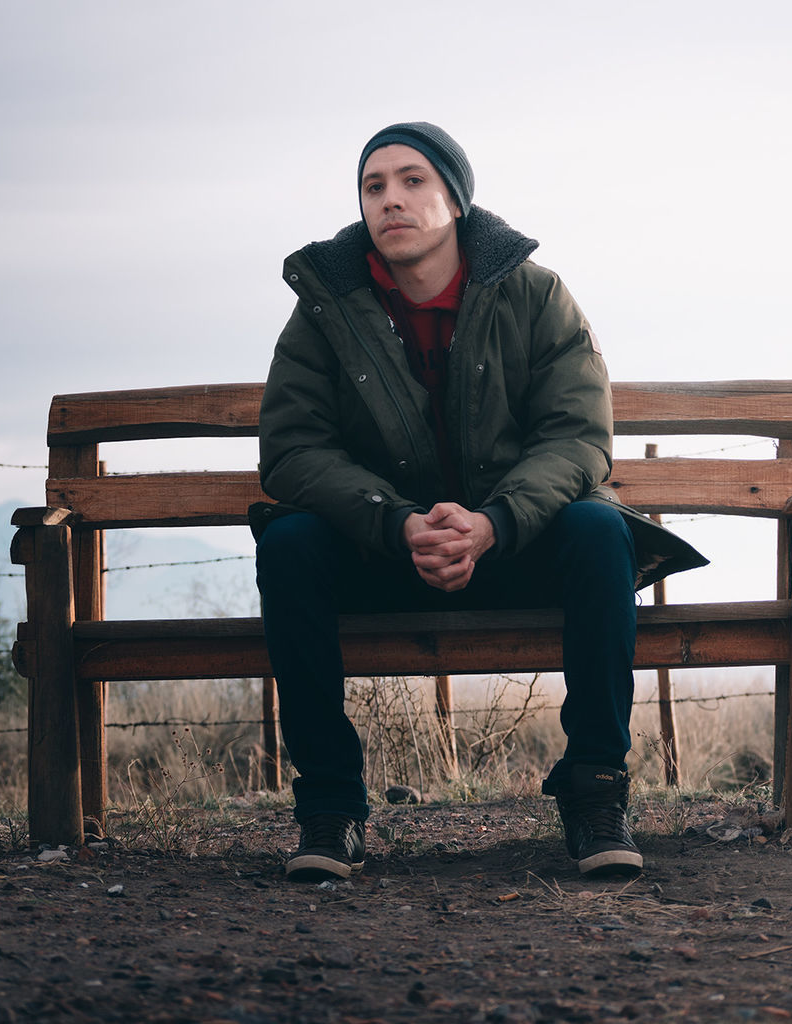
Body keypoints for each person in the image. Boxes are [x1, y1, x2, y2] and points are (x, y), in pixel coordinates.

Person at [252, 121, 707, 883]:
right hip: (384, 554)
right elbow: (292, 450)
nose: (390, 199)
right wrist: (394, 522)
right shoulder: (324, 311)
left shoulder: (535, 295)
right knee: (291, 543)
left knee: (601, 529)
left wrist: (494, 523)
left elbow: (579, 439)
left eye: (412, 180)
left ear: (456, 199)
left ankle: (596, 793)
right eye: (373, 186)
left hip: (515, 548)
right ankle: (330, 810)